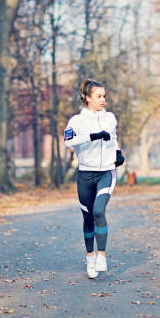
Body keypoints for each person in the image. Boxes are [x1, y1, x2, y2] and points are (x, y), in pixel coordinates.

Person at [64, 79, 125, 279]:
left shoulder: (110, 118)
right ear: (88, 98)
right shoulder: (76, 121)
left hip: (106, 172)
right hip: (85, 174)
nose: (103, 100)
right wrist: (93, 135)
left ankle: (102, 255)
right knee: (88, 217)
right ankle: (90, 257)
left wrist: (117, 152)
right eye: (99, 96)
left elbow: (113, 137)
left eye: (104, 96)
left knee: (99, 210)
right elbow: (68, 141)